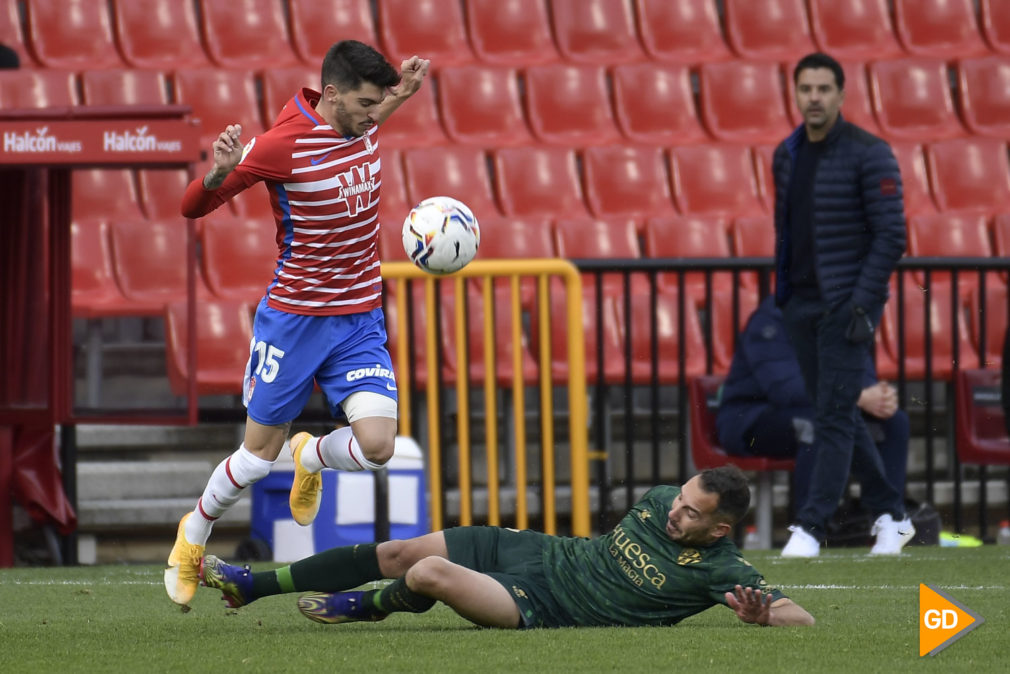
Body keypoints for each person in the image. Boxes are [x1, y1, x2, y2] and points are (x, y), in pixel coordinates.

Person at [165, 41, 431, 605]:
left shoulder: (361, 119)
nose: (371, 115)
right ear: (331, 94)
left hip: (359, 317)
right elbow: (192, 207)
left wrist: (400, 94)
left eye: (376, 104)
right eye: (364, 103)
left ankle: (311, 455)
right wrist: (217, 173)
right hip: (294, 322)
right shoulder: (282, 146)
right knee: (258, 459)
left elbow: (373, 113)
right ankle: (194, 532)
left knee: (380, 446)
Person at [198, 466, 814, 628]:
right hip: (536, 552)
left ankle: (375, 606)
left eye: (691, 513)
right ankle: (252, 585)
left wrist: (763, 616)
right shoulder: (658, 498)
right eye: (679, 499)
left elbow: (800, 616)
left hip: (539, 603)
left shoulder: (722, 570)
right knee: (401, 551)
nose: (674, 512)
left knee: (431, 574)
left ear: (720, 529)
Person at [772, 52, 913, 558]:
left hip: (845, 306)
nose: (814, 97)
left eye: (823, 89)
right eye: (806, 88)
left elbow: (892, 234)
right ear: (795, 93)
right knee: (838, 414)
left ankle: (812, 526)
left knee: (833, 416)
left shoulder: (869, 153)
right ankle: (893, 515)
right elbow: (786, 230)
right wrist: (784, 293)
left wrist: (861, 302)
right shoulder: (786, 153)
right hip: (800, 304)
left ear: (841, 94)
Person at [717, 296, 909, 520]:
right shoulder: (772, 318)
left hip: (823, 408)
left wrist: (880, 398)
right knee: (818, 424)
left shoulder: (847, 314)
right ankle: (811, 525)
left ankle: (886, 519)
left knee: (894, 422)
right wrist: (856, 395)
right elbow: (785, 389)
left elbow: (863, 373)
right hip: (753, 417)